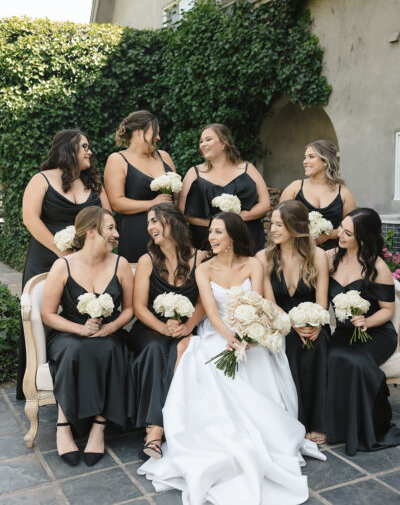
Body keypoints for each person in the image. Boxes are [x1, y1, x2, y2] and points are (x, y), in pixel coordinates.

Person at [138, 212, 326, 504]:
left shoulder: (253, 263)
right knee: (205, 360)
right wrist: (230, 337)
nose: (211, 237)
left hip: (254, 334)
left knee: (262, 358)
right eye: (210, 232)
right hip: (218, 332)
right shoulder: (204, 269)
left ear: (232, 238)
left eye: (217, 232)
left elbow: (264, 303)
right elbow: (211, 313)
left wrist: (279, 325)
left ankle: (266, 432)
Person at [19, 130, 110, 400]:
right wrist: (62, 252)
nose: (89, 151)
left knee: (84, 315)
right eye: (84, 146)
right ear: (67, 149)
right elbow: (30, 219)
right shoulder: (42, 180)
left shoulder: (94, 183)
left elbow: (107, 218)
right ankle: (38, 382)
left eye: (89, 146)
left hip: (88, 264)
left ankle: (84, 380)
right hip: (46, 258)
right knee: (40, 317)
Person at [41, 207, 134, 466]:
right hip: (69, 331)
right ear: (91, 232)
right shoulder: (63, 266)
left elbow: (129, 310)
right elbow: (48, 314)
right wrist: (80, 330)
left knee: (112, 349)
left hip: (108, 331)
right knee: (74, 351)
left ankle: (98, 427)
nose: (115, 234)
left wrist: (110, 328)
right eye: (110, 229)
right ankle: (64, 425)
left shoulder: (121, 264)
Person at [126, 203, 205, 458]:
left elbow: (205, 300)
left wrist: (189, 325)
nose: (149, 227)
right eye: (148, 223)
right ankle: (155, 431)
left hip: (185, 327)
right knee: (155, 348)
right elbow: (139, 307)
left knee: (182, 349)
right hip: (149, 327)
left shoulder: (200, 258)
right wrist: (163, 326)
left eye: (154, 221)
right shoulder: (146, 261)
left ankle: (159, 430)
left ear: (172, 223)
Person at [327, 208, 400, 455]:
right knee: (331, 355)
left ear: (363, 238)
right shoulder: (331, 258)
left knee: (356, 361)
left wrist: (367, 322)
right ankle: (337, 424)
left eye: (348, 233)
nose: (340, 234)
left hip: (376, 332)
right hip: (345, 331)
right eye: (341, 227)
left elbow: (388, 310)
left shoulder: (378, 267)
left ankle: (371, 425)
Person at [257, 200, 330, 444]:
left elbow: (322, 301)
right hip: (280, 320)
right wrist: (292, 324)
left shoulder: (318, 255)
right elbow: (268, 302)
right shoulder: (264, 257)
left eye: (280, 225)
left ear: (296, 227)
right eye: (272, 224)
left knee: (315, 345)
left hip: (312, 320)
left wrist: (312, 322)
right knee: (288, 343)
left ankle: (317, 421)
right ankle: (294, 422)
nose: (273, 230)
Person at [179, 123, 270, 253]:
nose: (203, 144)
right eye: (201, 141)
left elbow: (265, 203)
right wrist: (214, 225)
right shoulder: (194, 173)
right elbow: (182, 211)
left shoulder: (248, 169)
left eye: (208, 139)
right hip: (207, 241)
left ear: (224, 143)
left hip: (246, 237)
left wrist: (237, 220)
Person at [104, 110, 177, 263]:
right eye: (155, 132)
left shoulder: (164, 156)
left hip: (171, 231)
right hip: (137, 232)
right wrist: (152, 204)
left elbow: (177, 193)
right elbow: (116, 203)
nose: (158, 137)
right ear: (138, 132)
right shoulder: (118, 160)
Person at [280, 140, 356, 250]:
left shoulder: (343, 193)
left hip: (333, 254)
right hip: (299, 251)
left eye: (311, 156)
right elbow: (280, 220)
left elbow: (352, 227)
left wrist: (330, 234)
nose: (305, 161)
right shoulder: (295, 187)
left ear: (325, 161)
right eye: (305, 157)